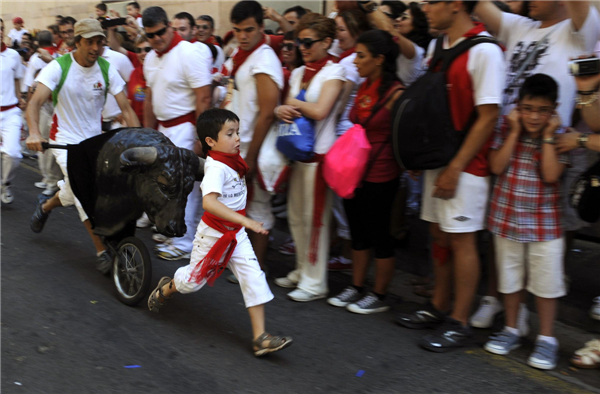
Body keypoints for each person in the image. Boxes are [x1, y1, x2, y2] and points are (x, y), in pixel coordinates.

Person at [471, 0, 600, 330]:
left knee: (546, 235)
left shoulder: (580, 30)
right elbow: (477, 5)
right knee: (500, 230)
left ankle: (530, 308)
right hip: (509, 136)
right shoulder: (518, 25)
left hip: (552, 139)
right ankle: (495, 299)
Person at [396, 0, 505, 353]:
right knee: (439, 234)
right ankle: (438, 306)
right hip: (437, 161)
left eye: (432, 2)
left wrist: (457, 166)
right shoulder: (438, 45)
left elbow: (488, 116)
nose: (424, 8)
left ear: (456, 5)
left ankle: (460, 321)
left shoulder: (486, 50)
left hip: (466, 166)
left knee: (461, 240)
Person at [147, 108, 293, 357]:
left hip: (236, 235)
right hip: (213, 235)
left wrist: (241, 224)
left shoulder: (232, 160)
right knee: (192, 283)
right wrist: (244, 220)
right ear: (211, 142)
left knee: (253, 276)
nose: (237, 138)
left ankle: (260, 338)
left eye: (237, 132)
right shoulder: (216, 168)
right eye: (230, 133)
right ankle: (167, 288)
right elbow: (209, 203)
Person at [25, 19, 140, 273]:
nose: (96, 47)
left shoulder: (106, 68)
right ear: (77, 42)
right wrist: (34, 132)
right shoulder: (58, 67)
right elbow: (34, 103)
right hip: (63, 139)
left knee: (72, 191)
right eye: (90, 42)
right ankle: (101, 250)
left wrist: (139, 141)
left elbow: (127, 109)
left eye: (100, 42)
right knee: (83, 189)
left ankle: (45, 206)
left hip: (94, 141)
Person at [484, 74, 568, 370]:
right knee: (510, 281)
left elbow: (551, 175)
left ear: (554, 110)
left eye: (542, 110)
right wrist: (513, 131)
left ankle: (547, 339)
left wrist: (547, 137)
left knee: (546, 286)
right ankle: (511, 329)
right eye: (528, 108)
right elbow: (496, 166)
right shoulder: (506, 129)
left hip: (545, 226)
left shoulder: (561, 136)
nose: (534, 116)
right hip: (506, 219)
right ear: (518, 106)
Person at [327, 30, 404, 314]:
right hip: (355, 170)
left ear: (379, 59)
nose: (355, 61)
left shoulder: (397, 93)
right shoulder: (362, 86)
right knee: (358, 231)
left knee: (379, 233)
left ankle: (380, 295)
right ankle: (356, 287)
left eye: (361, 55)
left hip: (382, 174)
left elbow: (404, 135)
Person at [273, 13, 347, 302]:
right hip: (297, 153)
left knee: (315, 219)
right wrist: (282, 110)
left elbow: (320, 111)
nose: (302, 47)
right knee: (296, 217)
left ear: (327, 41)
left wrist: (290, 103)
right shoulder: (300, 72)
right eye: (299, 41)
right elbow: (293, 109)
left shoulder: (335, 72)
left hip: (318, 156)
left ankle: (316, 281)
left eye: (308, 42)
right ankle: (302, 269)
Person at [220, 0, 284, 282]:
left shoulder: (264, 59)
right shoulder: (239, 55)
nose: (242, 36)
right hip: (237, 143)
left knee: (258, 206)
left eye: (248, 30)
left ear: (261, 27)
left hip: (254, 144)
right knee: (238, 204)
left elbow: (268, 113)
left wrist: (253, 157)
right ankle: (242, 262)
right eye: (237, 30)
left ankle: (257, 268)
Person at [142, 6, 212, 260]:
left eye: (161, 32)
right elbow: (150, 97)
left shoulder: (190, 53)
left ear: (169, 27)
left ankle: (184, 242)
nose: (157, 38)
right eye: (151, 35)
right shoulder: (151, 57)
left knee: (184, 188)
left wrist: (200, 137)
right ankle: (175, 234)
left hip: (184, 127)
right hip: (162, 129)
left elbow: (203, 96)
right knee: (165, 185)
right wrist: (148, 133)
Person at [328, 9, 371, 271]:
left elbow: (337, 105)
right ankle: (342, 247)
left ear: (355, 31)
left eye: (341, 29)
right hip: (347, 134)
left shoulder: (350, 63)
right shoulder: (348, 59)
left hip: (344, 136)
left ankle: (347, 253)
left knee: (343, 199)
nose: (336, 35)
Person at [22, 30, 62, 197]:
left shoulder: (36, 59)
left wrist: (28, 105)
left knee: (44, 142)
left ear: (38, 42)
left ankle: (50, 180)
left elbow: (29, 85)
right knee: (54, 141)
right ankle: (53, 179)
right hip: (58, 103)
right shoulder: (60, 56)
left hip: (45, 104)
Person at [0, 18, 26, 204]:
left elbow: (17, 80)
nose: (0, 32)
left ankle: (5, 184)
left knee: (14, 154)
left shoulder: (13, 56)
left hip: (10, 111)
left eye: (1, 29)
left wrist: (20, 98)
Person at [100, 36, 134, 130]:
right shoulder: (84, 64)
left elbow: (133, 85)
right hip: (96, 123)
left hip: (118, 122)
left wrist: (125, 112)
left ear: (103, 40)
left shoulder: (119, 58)